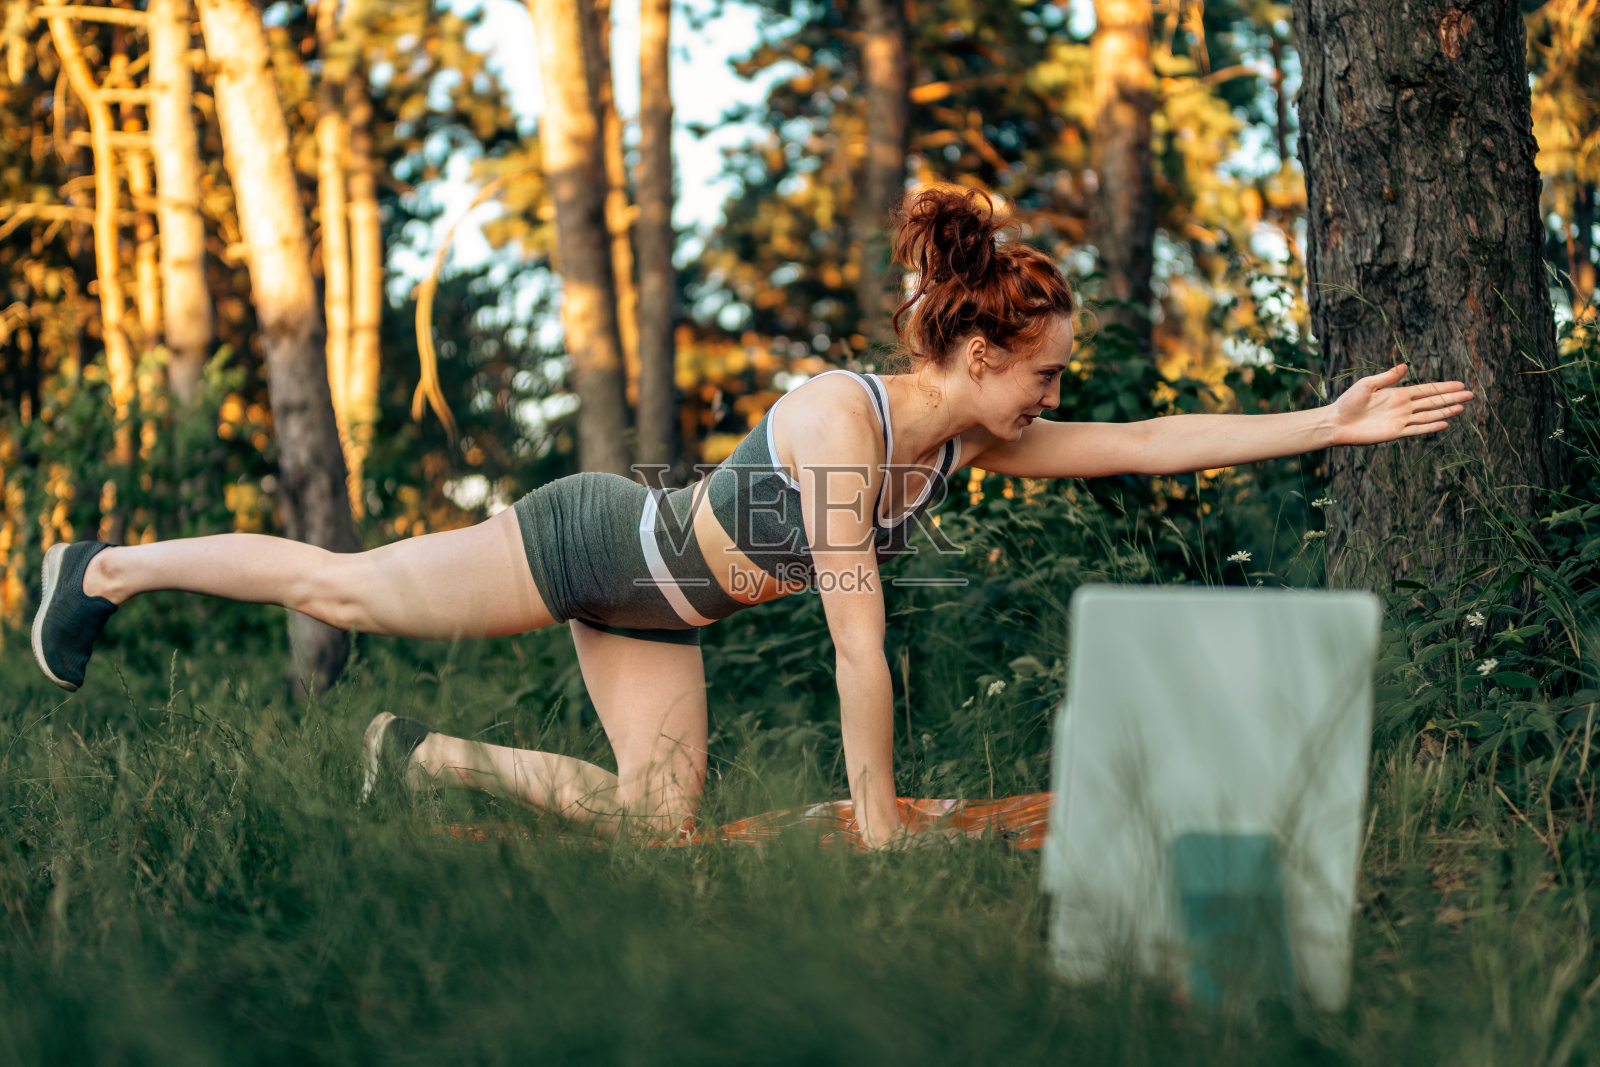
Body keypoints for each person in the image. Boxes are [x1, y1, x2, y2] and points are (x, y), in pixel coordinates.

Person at [29, 185, 1475, 850]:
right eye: (1040, 373)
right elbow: (861, 647)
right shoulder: (844, 423)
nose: (1052, 396)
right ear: (975, 358)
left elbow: (1152, 442)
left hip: (665, 614)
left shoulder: (965, 442)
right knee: (346, 590)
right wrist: (874, 824)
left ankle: (417, 755)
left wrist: (1326, 422)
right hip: (591, 543)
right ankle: (108, 566)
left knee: (660, 836)